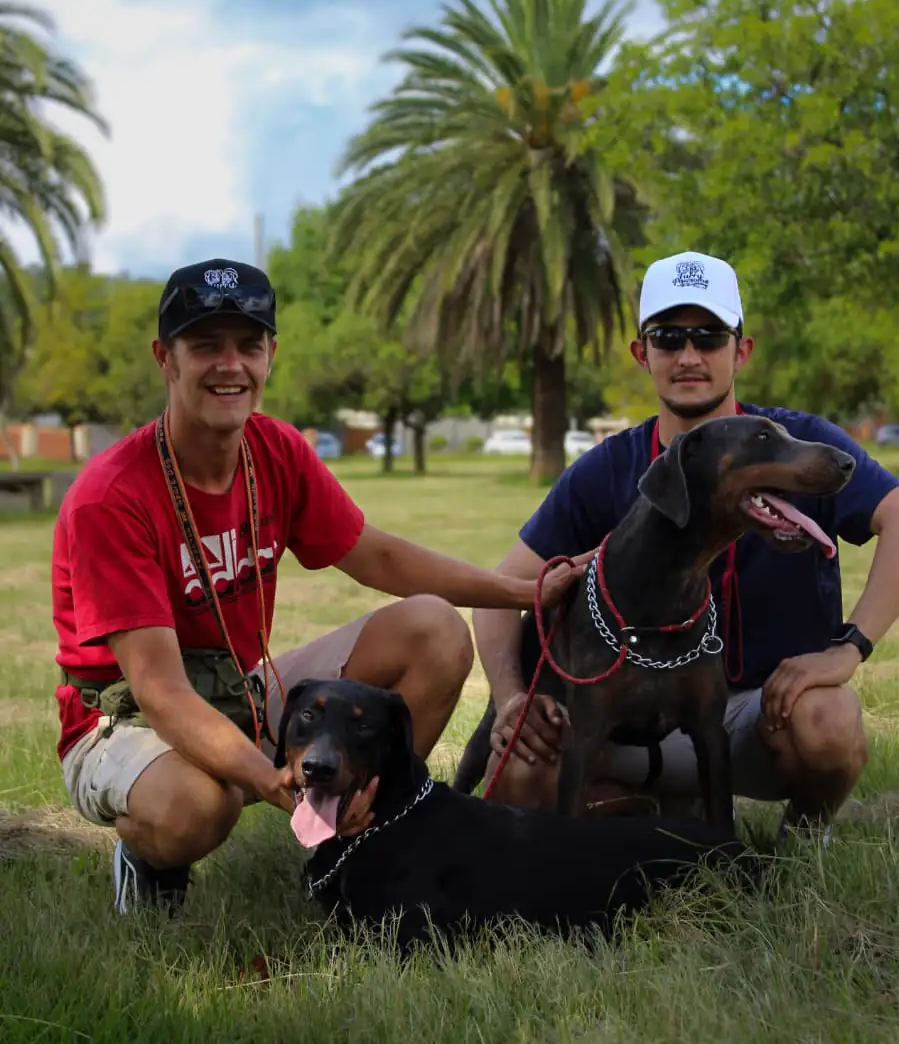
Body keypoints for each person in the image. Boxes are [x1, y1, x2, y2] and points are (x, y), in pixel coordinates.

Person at [52, 257, 584, 914]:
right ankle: (148, 857)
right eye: (206, 345)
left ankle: (363, 841)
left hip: (238, 690)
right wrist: (271, 778)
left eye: (248, 345)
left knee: (435, 630)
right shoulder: (112, 495)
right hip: (122, 716)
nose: (230, 365)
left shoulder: (274, 451)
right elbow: (160, 692)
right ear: (166, 358)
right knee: (200, 805)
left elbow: (379, 557)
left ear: (271, 355)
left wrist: (526, 593)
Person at [472, 250, 899, 836]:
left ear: (741, 350)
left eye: (708, 337)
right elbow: (499, 595)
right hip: (627, 725)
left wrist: (848, 649)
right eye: (667, 337)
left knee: (829, 719)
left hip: (765, 715)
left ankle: (807, 837)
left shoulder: (797, 445)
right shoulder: (608, 468)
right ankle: (643, 817)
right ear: (642, 353)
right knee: (520, 773)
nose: (688, 356)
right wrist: (511, 698)